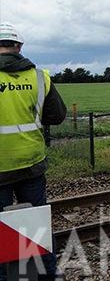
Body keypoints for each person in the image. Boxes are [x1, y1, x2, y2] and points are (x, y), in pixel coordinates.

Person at [0, 22, 66, 280]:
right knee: (37, 223)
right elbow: (57, 116)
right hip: (31, 162)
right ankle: (48, 274)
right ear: (19, 47)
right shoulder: (40, 77)